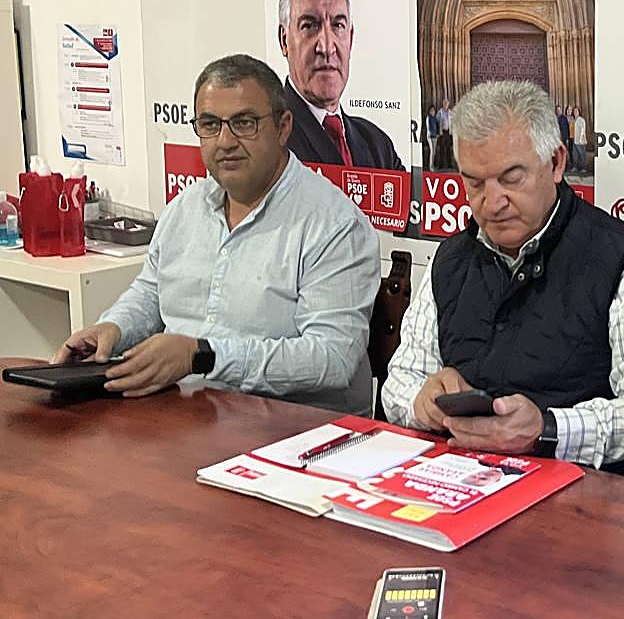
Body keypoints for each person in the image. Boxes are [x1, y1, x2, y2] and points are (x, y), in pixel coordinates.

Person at [382, 81, 624, 480]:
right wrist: (419, 402)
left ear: (556, 163)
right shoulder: (450, 258)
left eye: (511, 178)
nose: (491, 203)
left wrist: (549, 430)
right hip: (455, 483)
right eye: (474, 183)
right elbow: (400, 381)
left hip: (580, 502)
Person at [52, 55, 379, 414]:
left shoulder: (334, 224)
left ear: (284, 127)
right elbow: (152, 292)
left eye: (244, 123)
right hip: (185, 413)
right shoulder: (185, 208)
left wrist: (203, 356)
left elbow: (331, 358)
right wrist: (113, 329)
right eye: (209, 124)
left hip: (294, 429)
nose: (225, 141)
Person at [276, 0, 405, 171]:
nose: (326, 47)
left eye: (337, 25)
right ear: (285, 40)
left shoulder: (379, 147)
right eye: (309, 25)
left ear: (351, 37)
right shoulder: (267, 147)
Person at [435, 97, 455, 171]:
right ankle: (441, 165)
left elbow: (453, 121)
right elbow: (437, 121)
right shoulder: (440, 112)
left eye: (447, 103)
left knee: (448, 149)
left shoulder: (450, 112)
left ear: (448, 104)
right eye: (444, 103)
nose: (446, 105)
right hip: (442, 132)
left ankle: (449, 165)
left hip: (448, 132)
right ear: (443, 104)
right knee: (442, 149)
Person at [572, 106, 589, 173]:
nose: (575, 112)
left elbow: (583, 130)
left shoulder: (581, 120)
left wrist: (580, 139)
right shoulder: (573, 120)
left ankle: (584, 168)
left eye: (576, 111)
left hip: (581, 141)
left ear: (579, 112)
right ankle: (575, 167)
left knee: (582, 154)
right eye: (574, 111)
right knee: (575, 154)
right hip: (574, 140)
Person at [424, 105, 439, 171]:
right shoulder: (428, 118)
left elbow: (437, 126)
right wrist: (431, 133)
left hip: (435, 136)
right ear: (430, 111)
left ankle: (433, 165)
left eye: (434, 110)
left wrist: (437, 134)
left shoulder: (435, 118)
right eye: (432, 110)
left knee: (434, 152)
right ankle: (431, 167)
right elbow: (428, 127)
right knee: (432, 151)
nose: (433, 112)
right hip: (430, 137)